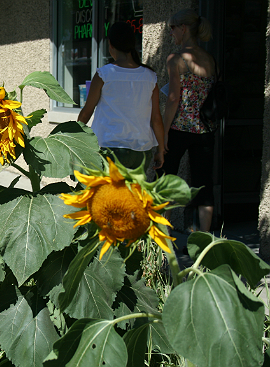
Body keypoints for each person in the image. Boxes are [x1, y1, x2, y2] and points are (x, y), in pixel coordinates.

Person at [78, 21, 165, 173]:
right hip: (141, 150)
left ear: (110, 44)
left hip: (109, 148)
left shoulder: (104, 74)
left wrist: (75, 138)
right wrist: (161, 149)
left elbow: (87, 111)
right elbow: (156, 118)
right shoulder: (150, 77)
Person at [158, 9, 216, 232]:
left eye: (172, 28)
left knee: (166, 180)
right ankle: (204, 240)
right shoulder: (209, 59)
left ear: (183, 28)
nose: (171, 33)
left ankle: (161, 236)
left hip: (180, 128)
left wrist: (163, 133)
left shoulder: (176, 59)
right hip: (205, 130)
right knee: (204, 185)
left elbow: (173, 99)